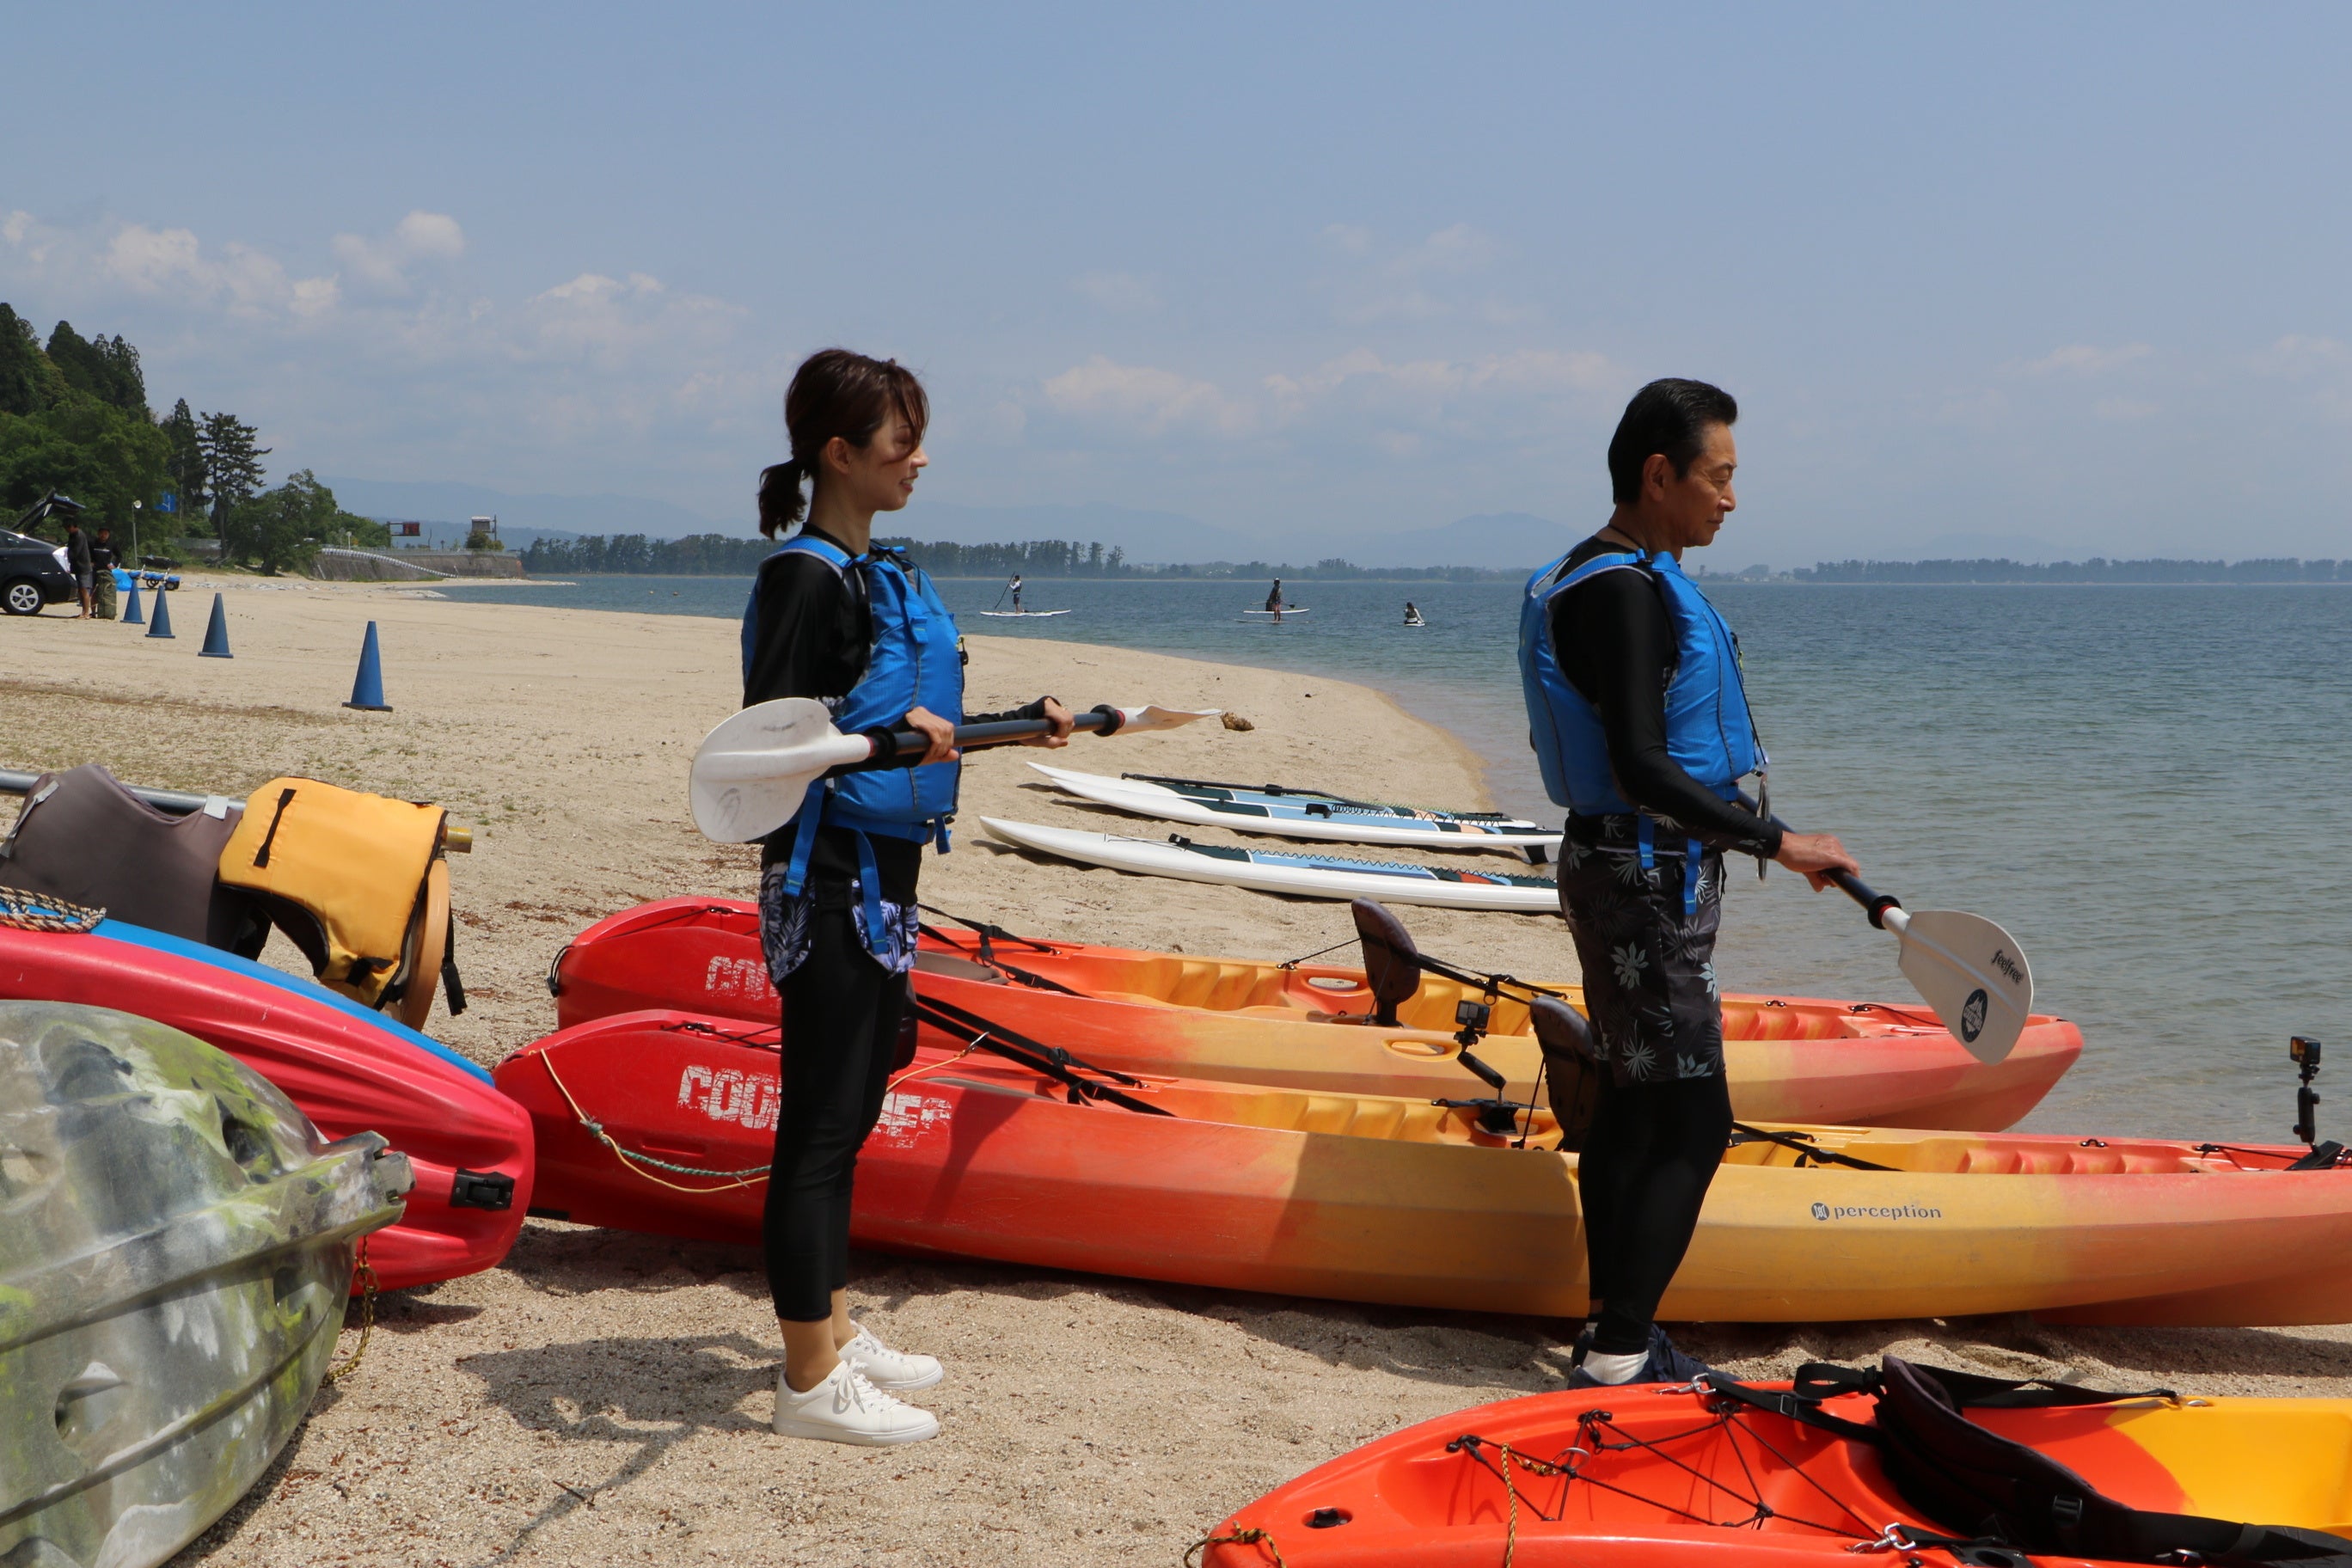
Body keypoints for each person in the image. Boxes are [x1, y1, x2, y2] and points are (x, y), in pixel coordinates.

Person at [741, 348, 1074, 1446]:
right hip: (824, 874)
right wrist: (887, 739)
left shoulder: (865, 572)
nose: (919, 459)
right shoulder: (804, 577)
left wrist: (1026, 717)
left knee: (862, 1094)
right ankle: (806, 1383)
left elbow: (902, 723)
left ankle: (830, 1325)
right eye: (900, 441)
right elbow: (769, 748)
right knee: (820, 1124)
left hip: (885, 877)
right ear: (840, 455)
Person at [1517, 377, 1858, 1387]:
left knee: (1634, 1101)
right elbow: (1642, 767)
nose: (1732, 499)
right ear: (1659, 475)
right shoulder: (1619, 592)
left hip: (1625, 864)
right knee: (1695, 1117)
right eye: (1720, 476)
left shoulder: (1603, 574)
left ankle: (1608, 1330)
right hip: (1641, 872)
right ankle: (1623, 1346)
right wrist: (1775, 839)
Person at [64, 519, 93, 618]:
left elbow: (76, 551)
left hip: (83, 566)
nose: (67, 529)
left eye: (68, 527)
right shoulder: (72, 535)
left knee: (84, 589)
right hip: (77, 566)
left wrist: (66, 557)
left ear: (74, 526)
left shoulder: (79, 535)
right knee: (80, 589)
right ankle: (83, 611)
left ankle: (86, 613)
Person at [89, 526, 119, 620]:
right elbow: (86, 553)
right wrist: (90, 562)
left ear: (108, 535)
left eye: (106, 534)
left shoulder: (112, 544)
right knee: (93, 591)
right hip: (94, 571)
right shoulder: (92, 543)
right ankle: (93, 612)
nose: (103, 535)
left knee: (105, 592)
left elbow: (119, 556)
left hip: (106, 571)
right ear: (98, 534)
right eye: (102, 533)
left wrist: (114, 564)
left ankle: (105, 612)